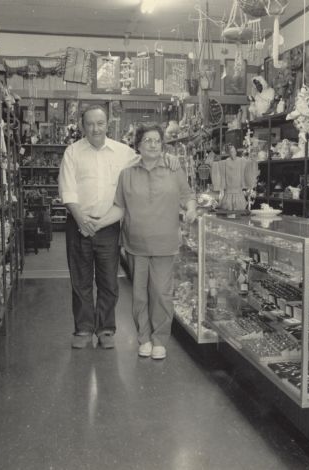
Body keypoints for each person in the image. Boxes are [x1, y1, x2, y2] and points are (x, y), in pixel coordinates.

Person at [59, 106, 178, 349]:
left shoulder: (122, 152)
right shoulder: (72, 152)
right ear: (83, 126)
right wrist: (81, 219)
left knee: (108, 281)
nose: (95, 128)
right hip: (78, 223)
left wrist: (168, 157)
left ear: (107, 125)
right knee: (80, 280)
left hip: (109, 226)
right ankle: (83, 329)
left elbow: (147, 157)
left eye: (100, 123)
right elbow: (67, 188)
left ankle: (105, 329)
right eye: (90, 124)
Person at [92, 123, 197, 360]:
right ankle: (144, 338)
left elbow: (187, 195)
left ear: (162, 145)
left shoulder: (173, 169)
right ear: (138, 145)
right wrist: (97, 223)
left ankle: (160, 339)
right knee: (139, 295)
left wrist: (191, 209)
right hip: (135, 245)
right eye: (147, 140)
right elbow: (119, 207)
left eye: (157, 141)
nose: (152, 144)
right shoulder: (126, 174)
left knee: (161, 293)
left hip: (165, 243)